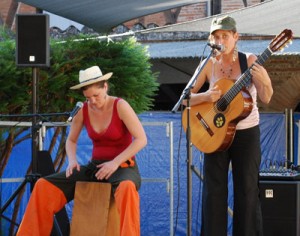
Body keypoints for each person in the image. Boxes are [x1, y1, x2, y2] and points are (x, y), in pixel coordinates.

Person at [17, 65, 147, 236]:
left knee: (127, 188)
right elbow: (71, 140)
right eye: (87, 97)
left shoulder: (120, 106)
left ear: (105, 87)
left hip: (122, 167)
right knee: (43, 186)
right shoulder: (83, 110)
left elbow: (141, 139)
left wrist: (114, 163)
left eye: (96, 95)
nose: (92, 101)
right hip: (95, 168)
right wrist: (72, 160)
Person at [187, 16, 273, 235]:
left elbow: (267, 97)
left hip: (246, 133)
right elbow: (186, 99)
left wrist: (263, 80)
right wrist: (207, 96)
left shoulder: (249, 60)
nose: (220, 39)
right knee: (213, 192)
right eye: (216, 36)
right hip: (214, 132)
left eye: (225, 35)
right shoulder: (208, 63)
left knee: (247, 190)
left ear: (236, 37)